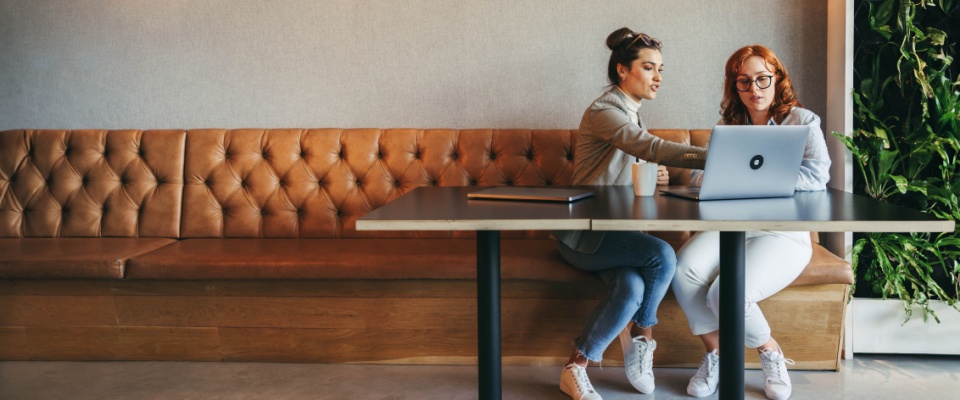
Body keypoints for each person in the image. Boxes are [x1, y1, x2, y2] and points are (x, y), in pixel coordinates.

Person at [552, 27, 707, 400]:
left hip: (615, 232)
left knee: (632, 287)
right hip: (584, 234)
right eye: (649, 68)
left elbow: (631, 158)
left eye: (661, 69)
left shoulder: (630, 114)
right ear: (623, 70)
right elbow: (644, 146)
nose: (658, 77)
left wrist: (654, 172)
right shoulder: (606, 110)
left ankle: (575, 366)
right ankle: (642, 336)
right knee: (661, 255)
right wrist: (712, 154)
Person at [671, 44, 831, 400]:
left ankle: (769, 350)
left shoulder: (802, 122)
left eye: (762, 79)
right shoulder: (729, 127)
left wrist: (753, 180)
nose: (754, 89)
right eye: (744, 82)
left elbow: (817, 177)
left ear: (777, 79)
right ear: (735, 87)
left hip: (783, 233)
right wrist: (715, 177)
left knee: (725, 293)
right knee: (682, 270)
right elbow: (703, 178)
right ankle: (716, 353)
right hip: (731, 228)